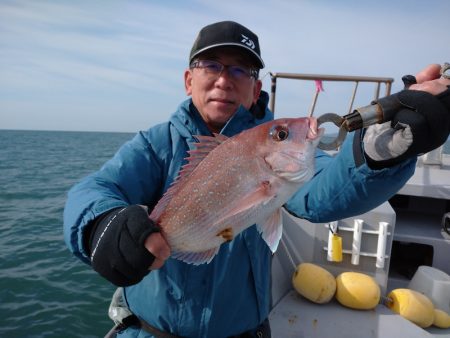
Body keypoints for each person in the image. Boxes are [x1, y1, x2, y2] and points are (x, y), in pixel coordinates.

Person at [63, 21, 450, 338]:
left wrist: (378, 151)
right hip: (151, 331)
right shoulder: (156, 144)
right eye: (210, 65)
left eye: (240, 70)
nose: (223, 79)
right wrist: (102, 224)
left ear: (256, 88)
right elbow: (96, 189)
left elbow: (318, 194)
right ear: (188, 80)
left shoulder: (272, 150)